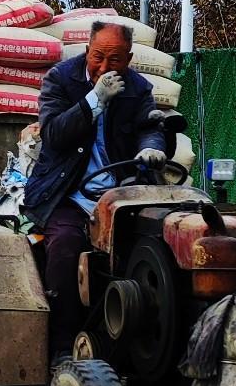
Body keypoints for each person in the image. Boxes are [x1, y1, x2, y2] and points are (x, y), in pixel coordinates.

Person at [23, 20, 167, 360]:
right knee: (64, 248)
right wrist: (93, 101)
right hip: (66, 193)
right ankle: (61, 346)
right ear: (87, 51)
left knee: (151, 248)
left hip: (120, 197)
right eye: (98, 57)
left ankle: (138, 343)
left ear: (128, 59)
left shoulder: (139, 88)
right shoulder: (60, 79)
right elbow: (54, 133)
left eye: (115, 60)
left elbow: (151, 126)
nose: (105, 67)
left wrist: (152, 147)